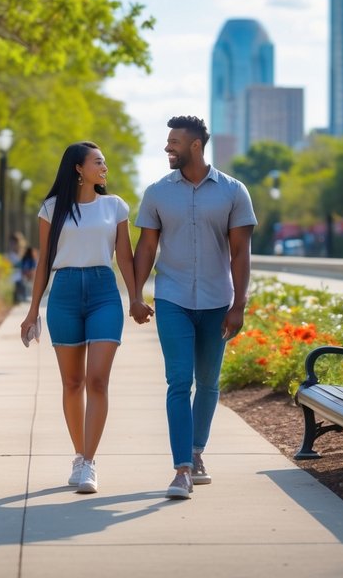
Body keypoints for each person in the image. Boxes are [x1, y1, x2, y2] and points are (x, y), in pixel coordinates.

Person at [133, 115, 256, 500]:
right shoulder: (156, 193)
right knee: (179, 381)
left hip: (217, 302)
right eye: (168, 140)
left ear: (196, 147)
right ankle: (182, 469)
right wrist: (135, 295)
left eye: (174, 142)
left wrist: (238, 304)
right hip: (172, 299)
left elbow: (240, 252)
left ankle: (197, 453)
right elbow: (147, 248)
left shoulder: (234, 192)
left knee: (208, 384)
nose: (168, 147)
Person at [19, 141, 151, 494]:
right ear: (78, 168)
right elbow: (44, 261)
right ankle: (78, 455)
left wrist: (136, 297)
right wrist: (32, 312)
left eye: (104, 161)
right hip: (63, 294)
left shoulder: (115, 206)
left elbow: (124, 258)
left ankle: (89, 463)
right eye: (98, 162)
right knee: (72, 383)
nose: (104, 166)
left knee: (97, 380)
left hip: (104, 293)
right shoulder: (51, 209)